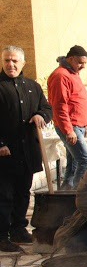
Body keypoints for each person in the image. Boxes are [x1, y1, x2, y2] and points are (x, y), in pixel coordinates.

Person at [0, 46, 52, 252]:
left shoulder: (32, 86)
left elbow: (46, 108)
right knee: (4, 196)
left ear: (23, 63)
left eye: (14, 61)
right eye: (6, 61)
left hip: (27, 151)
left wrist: (41, 115)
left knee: (23, 192)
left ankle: (19, 229)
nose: (10, 64)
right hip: (5, 154)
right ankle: (2, 236)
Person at [47, 45, 87, 189]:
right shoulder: (61, 75)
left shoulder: (72, 73)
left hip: (77, 126)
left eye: (85, 63)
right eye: (80, 62)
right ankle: (79, 195)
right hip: (70, 126)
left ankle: (66, 193)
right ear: (71, 58)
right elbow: (59, 106)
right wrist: (69, 130)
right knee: (86, 161)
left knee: (73, 164)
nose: (83, 66)